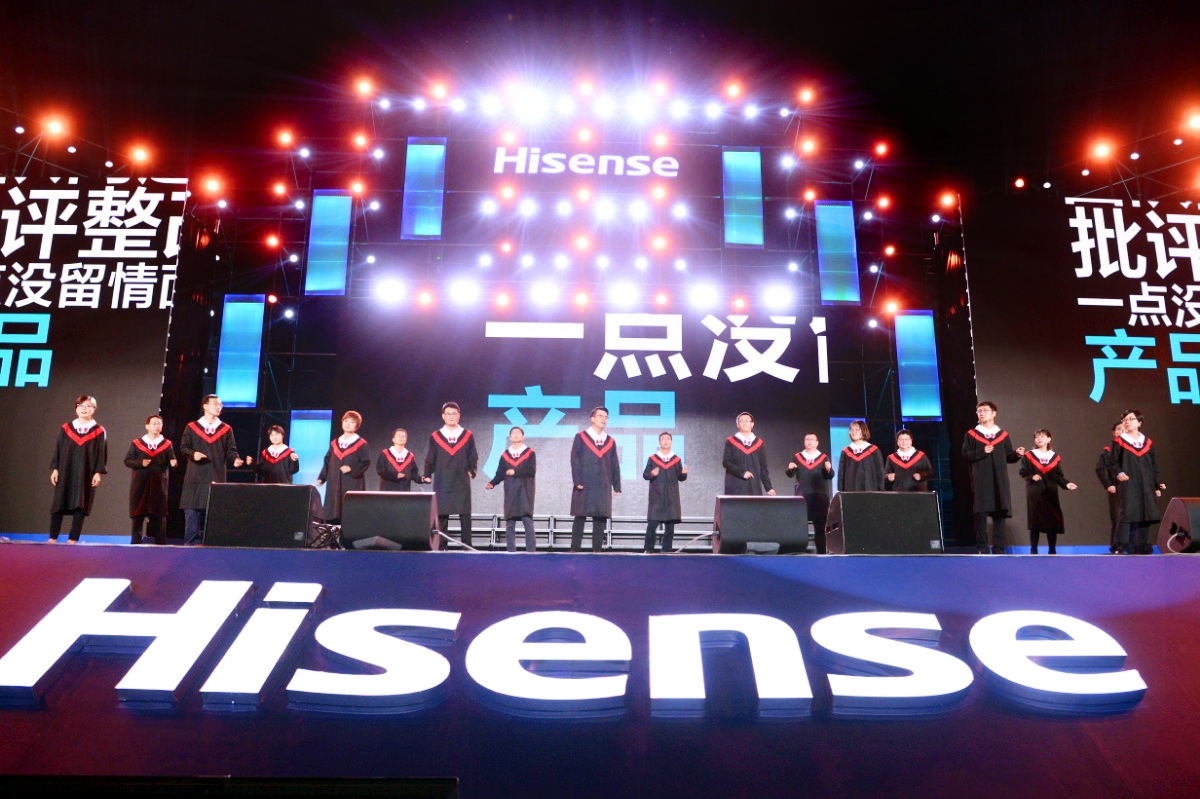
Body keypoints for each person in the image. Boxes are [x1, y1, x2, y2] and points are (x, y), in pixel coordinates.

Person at [180, 394, 248, 545]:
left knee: (215, 510)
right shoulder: (192, 427)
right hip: (195, 475)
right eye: (216, 404)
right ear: (205, 406)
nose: (219, 407)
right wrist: (193, 454)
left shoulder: (226, 429)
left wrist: (235, 459)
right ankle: (189, 546)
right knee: (192, 509)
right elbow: (184, 447)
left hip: (216, 474)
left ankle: (212, 546)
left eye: (220, 405)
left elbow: (231, 450)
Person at [961, 400, 1024, 554]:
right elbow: (965, 455)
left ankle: (999, 548)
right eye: (979, 411)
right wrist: (982, 451)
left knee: (1000, 513)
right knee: (981, 514)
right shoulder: (972, 434)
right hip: (981, 479)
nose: (981, 413)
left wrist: (1016, 454)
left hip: (999, 480)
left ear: (994, 413)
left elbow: (1008, 456)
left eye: (985, 410)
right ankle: (982, 548)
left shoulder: (1002, 435)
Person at [48, 394, 108, 543]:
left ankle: (73, 539)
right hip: (65, 470)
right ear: (76, 408)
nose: (84, 409)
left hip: (86, 472)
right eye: (81, 406)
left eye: (88, 406)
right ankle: (52, 538)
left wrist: (98, 472)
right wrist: (55, 468)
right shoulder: (66, 428)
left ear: (94, 409)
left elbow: (102, 453)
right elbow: (58, 449)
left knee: (80, 504)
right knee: (58, 503)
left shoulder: (99, 431)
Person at [1110, 408, 1166, 554]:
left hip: (1146, 483)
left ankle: (1142, 545)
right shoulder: (1119, 441)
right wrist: (1119, 473)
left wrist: (1157, 484)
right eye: (1125, 420)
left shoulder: (1147, 442)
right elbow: (1113, 462)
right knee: (1127, 513)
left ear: (1139, 423)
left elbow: (1153, 465)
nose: (1127, 422)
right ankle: (1121, 545)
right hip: (1128, 482)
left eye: (1131, 419)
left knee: (1144, 513)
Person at [422, 402, 478, 548]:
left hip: (461, 479)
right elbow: (430, 456)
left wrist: (472, 469)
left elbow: (473, 455)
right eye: (448, 414)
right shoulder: (436, 436)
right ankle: (442, 547)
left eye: (454, 414)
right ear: (443, 416)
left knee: (464, 514)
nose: (451, 416)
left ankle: (467, 546)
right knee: (441, 514)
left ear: (459, 416)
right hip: (442, 478)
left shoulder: (467, 435)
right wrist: (427, 473)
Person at [1018, 429, 1079, 554]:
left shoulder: (1054, 457)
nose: (1039, 439)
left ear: (1049, 439)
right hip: (1035, 492)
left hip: (1051, 492)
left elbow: (1058, 476)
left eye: (1042, 436)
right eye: (1036, 437)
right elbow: (1023, 471)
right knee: (1035, 521)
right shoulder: (1029, 456)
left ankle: (1052, 550)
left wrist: (1066, 484)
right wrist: (1032, 476)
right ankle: (1033, 550)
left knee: (1052, 521)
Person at [570, 406, 622, 552]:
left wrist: (616, 485)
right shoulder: (581, 437)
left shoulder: (610, 441)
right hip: (584, 483)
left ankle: (597, 551)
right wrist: (577, 481)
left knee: (600, 517)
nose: (603, 419)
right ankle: (574, 549)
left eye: (606, 417)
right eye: (600, 416)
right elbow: (575, 460)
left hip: (603, 483)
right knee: (580, 516)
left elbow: (614, 464)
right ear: (592, 418)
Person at [123, 414, 177, 544]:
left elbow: (172, 459)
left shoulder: (166, 444)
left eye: (159, 424)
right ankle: (135, 545)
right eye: (154, 423)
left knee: (159, 517)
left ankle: (160, 545)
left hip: (159, 485)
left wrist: (173, 462)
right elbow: (127, 461)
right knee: (138, 516)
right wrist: (140, 463)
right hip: (140, 485)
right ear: (147, 426)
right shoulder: (137, 443)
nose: (157, 426)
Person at [485, 426, 537, 552]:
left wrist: (515, 471)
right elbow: (500, 473)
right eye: (513, 433)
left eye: (518, 433)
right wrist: (492, 483)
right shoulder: (505, 455)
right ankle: (511, 552)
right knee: (510, 522)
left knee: (527, 520)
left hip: (525, 491)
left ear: (523, 437)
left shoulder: (530, 453)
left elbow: (531, 471)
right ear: (509, 437)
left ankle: (531, 551)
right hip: (511, 491)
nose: (516, 435)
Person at [316, 410, 370, 524]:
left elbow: (366, 462)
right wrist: (322, 477)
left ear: (357, 426)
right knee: (333, 510)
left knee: (349, 510)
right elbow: (327, 461)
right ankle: (333, 533)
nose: (348, 424)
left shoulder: (361, 443)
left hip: (351, 482)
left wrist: (352, 468)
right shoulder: (334, 443)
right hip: (334, 482)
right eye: (346, 421)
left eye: (352, 422)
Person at [786, 433, 834, 553]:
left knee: (820, 528)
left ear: (817, 443)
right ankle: (799, 553)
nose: (810, 441)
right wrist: (790, 468)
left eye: (812, 439)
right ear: (804, 442)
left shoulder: (823, 457)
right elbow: (790, 474)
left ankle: (822, 554)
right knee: (800, 528)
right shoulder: (798, 457)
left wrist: (829, 469)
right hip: (802, 498)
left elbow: (830, 476)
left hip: (820, 498)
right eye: (807, 439)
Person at [642, 432, 687, 553]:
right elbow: (645, 475)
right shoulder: (653, 459)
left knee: (670, 526)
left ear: (671, 442)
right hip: (656, 496)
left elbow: (680, 478)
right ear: (659, 442)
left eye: (668, 439)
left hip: (671, 496)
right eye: (663, 439)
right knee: (652, 525)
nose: (665, 441)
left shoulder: (676, 459)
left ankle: (666, 550)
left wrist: (684, 473)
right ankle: (648, 549)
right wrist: (652, 473)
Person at [722, 412, 775, 496]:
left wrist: (769, 487)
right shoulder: (731, 441)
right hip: (735, 485)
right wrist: (742, 473)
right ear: (737, 425)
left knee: (753, 504)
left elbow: (763, 467)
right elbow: (726, 462)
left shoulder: (758, 443)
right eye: (741, 421)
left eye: (747, 420)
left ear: (752, 424)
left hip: (753, 485)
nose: (744, 423)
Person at [1095, 421, 1124, 554]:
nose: (1121, 432)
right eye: (1118, 429)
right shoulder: (1108, 452)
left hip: (1132, 489)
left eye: (1124, 430)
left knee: (1133, 518)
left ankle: (1133, 545)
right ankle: (1116, 546)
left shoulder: (1133, 451)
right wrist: (1109, 484)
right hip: (1116, 488)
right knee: (1117, 518)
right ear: (1113, 432)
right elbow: (1100, 469)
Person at [837, 420, 885, 492]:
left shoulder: (873, 450)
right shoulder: (846, 452)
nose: (854, 432)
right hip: (850, 490)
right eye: (851, 430)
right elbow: (841, 474)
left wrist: (881, 489)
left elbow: (880, 472)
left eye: (857, 429)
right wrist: (840, 491)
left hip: (870, 490)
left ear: (863, 431)